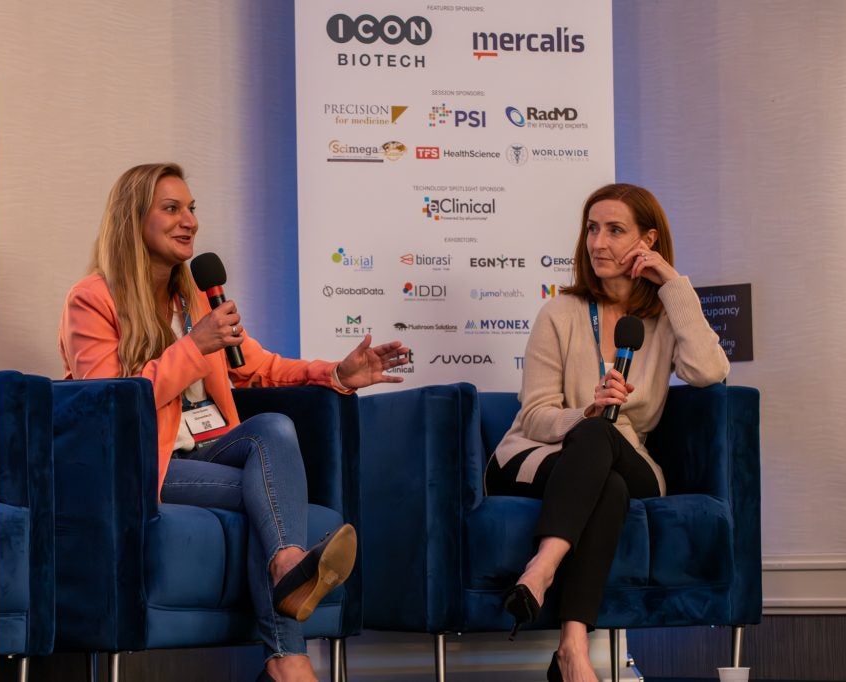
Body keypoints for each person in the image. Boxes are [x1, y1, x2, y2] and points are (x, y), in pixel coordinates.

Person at [58, 162, 409, 682]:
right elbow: (106, 404)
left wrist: (336, 373)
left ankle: (287, 564)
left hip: (206, 451)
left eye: (191, 208)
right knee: (269, 500)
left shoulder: (196, 297)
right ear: (133, 219)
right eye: (172, 209)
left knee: (273, 428)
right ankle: (288, 659)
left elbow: (259, 367)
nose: (190, 221)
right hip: (142, 466)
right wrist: (192, 346)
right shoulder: (92, 299)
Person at [485, 183, 729, 682]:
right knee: (604, 470)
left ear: (648, 240)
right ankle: (573, 648)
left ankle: (542, 567)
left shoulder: (665, 319)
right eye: (592, 229)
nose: (598, 243)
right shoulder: (559, 313)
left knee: (603, 444)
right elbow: (535, 416)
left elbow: (709, 371)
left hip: (626, 454)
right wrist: (587, 410)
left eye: (615, 230)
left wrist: (673, 284)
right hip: (537, 456)